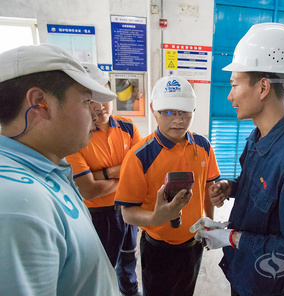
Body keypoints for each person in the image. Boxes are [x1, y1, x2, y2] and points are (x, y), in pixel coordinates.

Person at [191, 23, 284, 296]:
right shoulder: (259, 137)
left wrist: (232, 237)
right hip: (243, 272)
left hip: (266, 285)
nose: (230, 96)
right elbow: (263, 189)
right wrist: (232, 187)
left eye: (234, 84)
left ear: (263, 87)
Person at [0, 44, 119, 295]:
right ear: (40, 103)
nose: (95, 116)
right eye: (87, 101)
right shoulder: (19, 206)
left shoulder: (47, 169)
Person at [115, 75, 221, 296]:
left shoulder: (203, 146)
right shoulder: (140, 157)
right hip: (158, 248)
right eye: (169, 112)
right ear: (154, 109)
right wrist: (156, 218)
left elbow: (207, 187)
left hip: (193, 244)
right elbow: (127, 213)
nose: (178, 120)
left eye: (184, 111)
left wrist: (209, 223)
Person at [65, 64, 143, 296]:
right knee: (102, 263)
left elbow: (142, 171)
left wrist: (104, 174)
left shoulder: (128, 127)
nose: (99, 107)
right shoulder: (75, 137)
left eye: (103, 97)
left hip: (128, 206)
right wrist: (125, 174)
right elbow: (89, 190)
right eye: (90, 100)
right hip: (99, 215)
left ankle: (130, 290)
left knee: (129, 257)